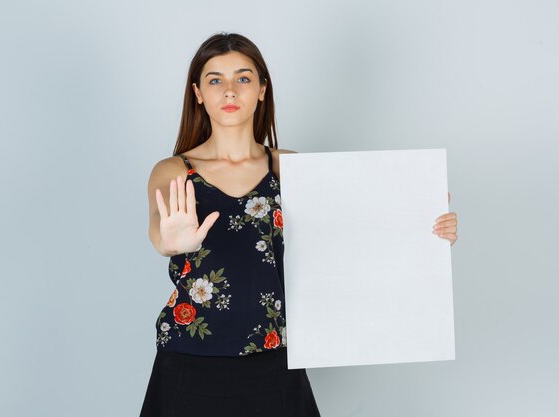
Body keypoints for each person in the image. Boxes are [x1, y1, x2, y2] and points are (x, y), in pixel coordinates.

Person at [139, 32, 459, 417]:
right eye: (215, 80)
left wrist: (425, 229)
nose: (229, 91)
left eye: (242, 78)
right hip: (189, 358)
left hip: (275, 357)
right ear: (198, 93)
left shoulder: (292, 168)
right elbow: (160, 230)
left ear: (261, 90)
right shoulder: (175, 170)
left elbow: (354, 232)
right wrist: (170, 241)